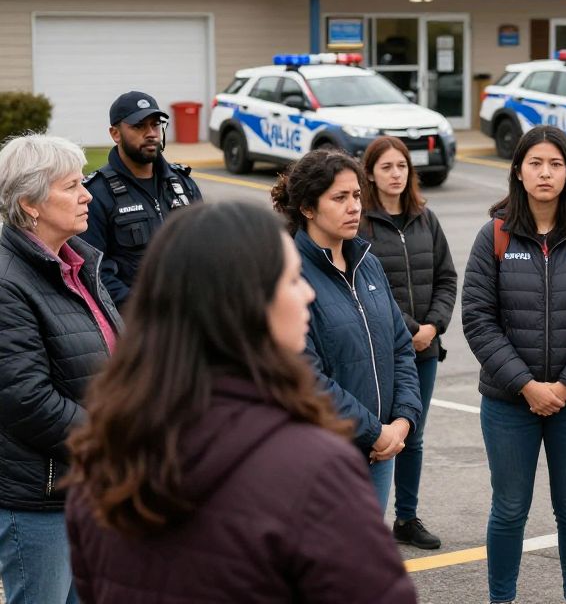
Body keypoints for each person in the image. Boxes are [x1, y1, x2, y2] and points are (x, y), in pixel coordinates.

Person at [64, 202, 416, 603]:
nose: (308, 292)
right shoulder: (311, 469)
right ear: (245, 304)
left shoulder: (104, 454)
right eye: (290, 280)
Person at [462, 125, 566, 604]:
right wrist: (526, 386)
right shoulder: (493, 235)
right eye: (535, 163)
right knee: (509, 510)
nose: (545, 173)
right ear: (518, 170)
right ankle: (502, 599)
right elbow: (477, 319)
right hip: (508, 403)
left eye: (556, 164)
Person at [0, 134, 118, 604]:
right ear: (30, 202)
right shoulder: (9, 282)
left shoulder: (78, 264)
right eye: (72, 186)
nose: (88, 194)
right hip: (41, 500)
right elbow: (24, 399)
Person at [272, 148, 421, 514]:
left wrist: (401, 422)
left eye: (356, 195)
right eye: (339, 198)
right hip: (324, 457)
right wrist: (374, 431)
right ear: (308, 207)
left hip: (381, 452)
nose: (354, 206)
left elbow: (401, 348)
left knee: (365, 561)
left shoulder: (368, 264)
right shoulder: (289, 272)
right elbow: (304, 376)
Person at [360, 136, 457, 550]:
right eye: (386, 167)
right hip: (384, 349)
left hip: (427, 348)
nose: (396, 174)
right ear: (370, 174)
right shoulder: (361, 224)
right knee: (376, 434)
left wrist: (432, 327)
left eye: (402, 167)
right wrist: (409, 330)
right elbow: (365, 288)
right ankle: (363, 520)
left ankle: (407, 518)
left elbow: (448, 278)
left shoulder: (425, 218)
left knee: (412, 435)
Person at [80, 90, 201, 308]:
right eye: (139, 126)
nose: (151, 133)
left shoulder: (183, 184)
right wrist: (147, 311)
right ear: (115, 133)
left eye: (155, 125)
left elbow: (208, 248)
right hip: (137, 324)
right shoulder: (96, 194)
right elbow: (95, 272)